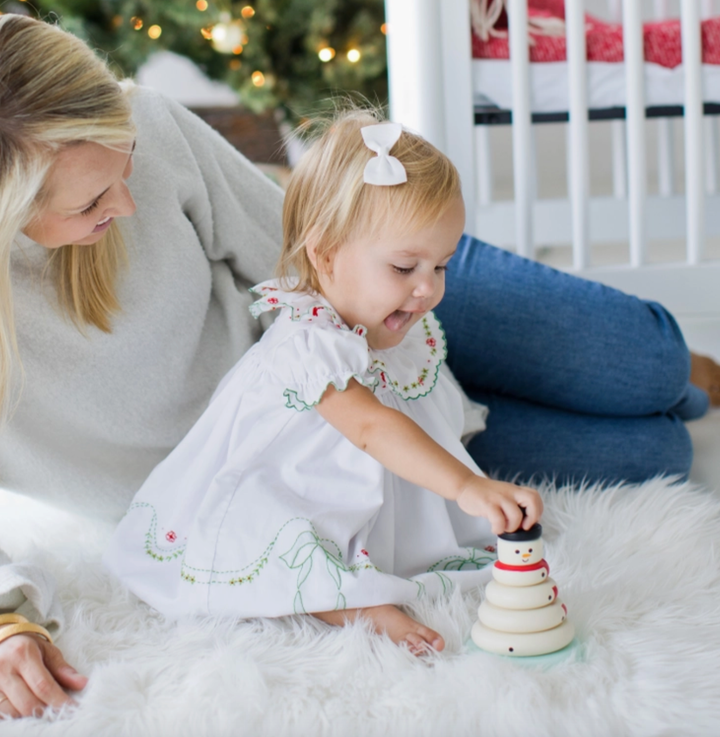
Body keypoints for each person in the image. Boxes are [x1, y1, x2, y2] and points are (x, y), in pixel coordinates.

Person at [0, 12, 717, 719]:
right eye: (92, 200)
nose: (126, 202)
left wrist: (402, 301)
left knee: (646, 362)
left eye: (124, 163)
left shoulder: (152, 126)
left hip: (357, 293)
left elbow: (295, 245)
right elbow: (361, 422)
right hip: (305, 454)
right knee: (653, 451)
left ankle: (687, 378)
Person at [103, 112, 544, 653]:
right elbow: (371, 428)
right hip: (293, 481)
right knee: (286, 540)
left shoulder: (397, 319)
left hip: (375, 484)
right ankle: (347, 600)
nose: (428, 288)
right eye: (405, 268)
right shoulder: (311, 341)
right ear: (326, 254)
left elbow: (417, 409)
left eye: (442, 266)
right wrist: (465, 486)